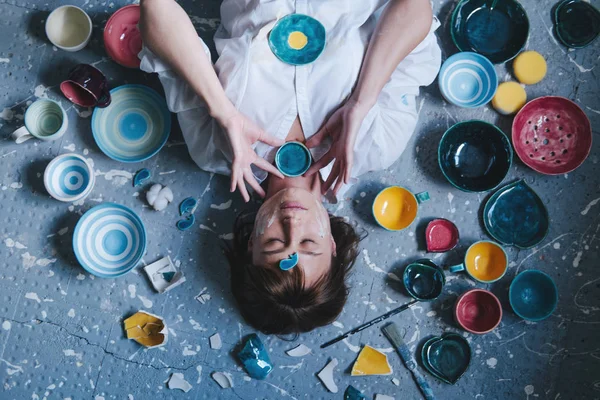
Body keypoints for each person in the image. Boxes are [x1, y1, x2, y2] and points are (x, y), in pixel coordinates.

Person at [139, 0, 441, 334]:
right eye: (309, 244)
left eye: (274, 244)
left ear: (251, 243)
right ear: (332, 247)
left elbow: (156, 11)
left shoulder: (213, 151)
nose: (292, 224)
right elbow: (414, 7)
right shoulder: (378, 146)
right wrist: (361, 100)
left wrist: (222, 111)